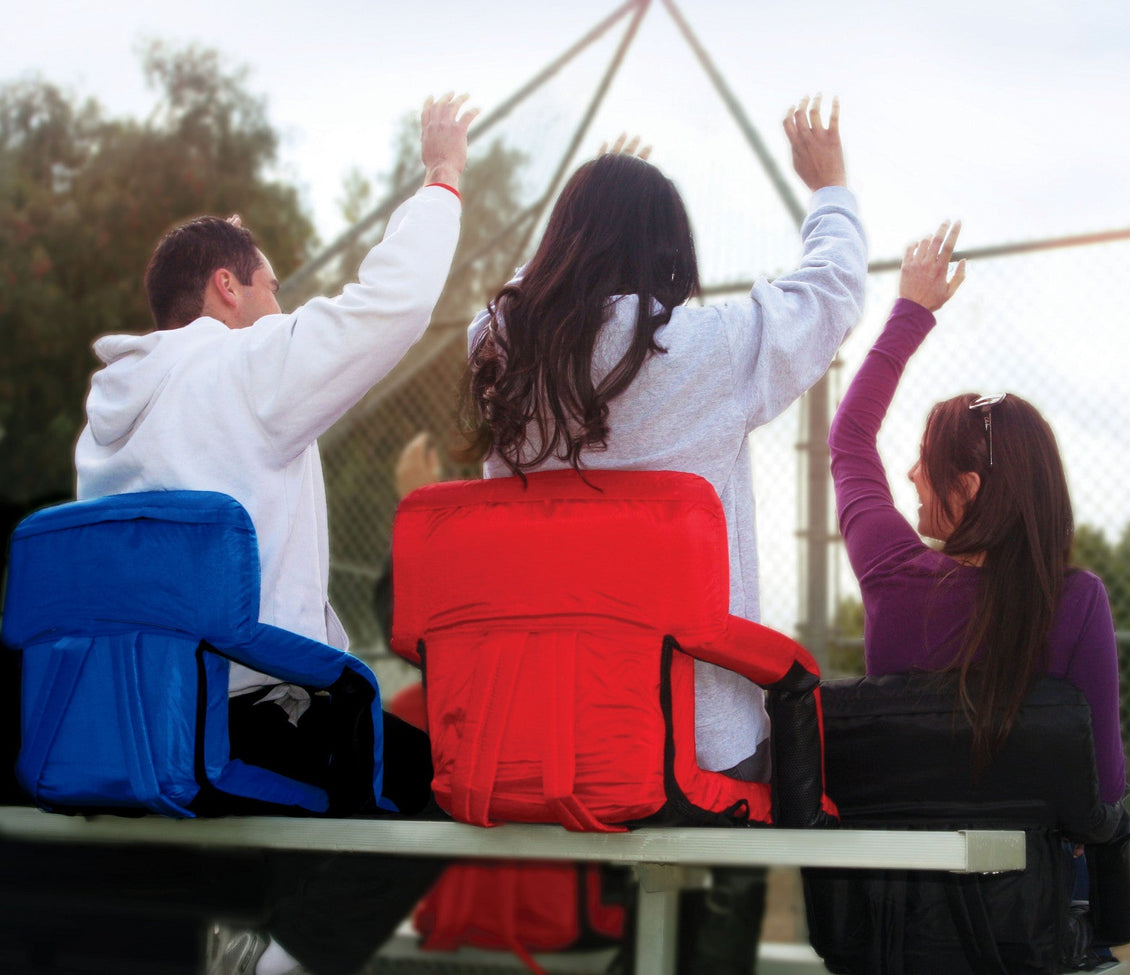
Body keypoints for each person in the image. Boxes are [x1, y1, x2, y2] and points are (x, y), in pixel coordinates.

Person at [72, 94, 478, 975]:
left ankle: (259, 943)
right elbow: (389, 305)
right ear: (227, 289)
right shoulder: (242, 365)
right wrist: (441, 176)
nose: (278, 304)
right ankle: (277, 964)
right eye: (269, 287)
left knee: (319, 799)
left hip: (124, 720)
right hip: (244, 723)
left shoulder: (106, 426)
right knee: (454, 777)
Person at [463, 96, 864, 975]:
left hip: (535, 723)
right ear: (670, 251)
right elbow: (829, 295)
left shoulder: (492, 349)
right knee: (747, 807)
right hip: (684, 739)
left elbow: (539, 299)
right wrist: (829, 188)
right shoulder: (707, 352)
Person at [826, 221, 1126, 805]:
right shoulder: (1074, 601)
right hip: (1029, 888)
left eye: (923, 461)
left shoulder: (893, 574)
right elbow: (1103, 786)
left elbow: (850, 438)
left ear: (966, 488)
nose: (912, 474)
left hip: (903, 889)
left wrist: (911, 310)